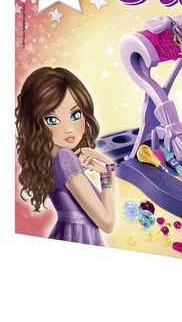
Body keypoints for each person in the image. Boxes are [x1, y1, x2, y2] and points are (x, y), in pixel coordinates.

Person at [15, 66, 117, 245]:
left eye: (76, 114)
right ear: (36, 122)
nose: (68, 129)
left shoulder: (47, 154)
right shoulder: (65, 158)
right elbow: (107, 223)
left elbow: (103, 207)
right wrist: (106, 172)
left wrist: (107, 167)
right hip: (81, 237)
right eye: (52, 120)